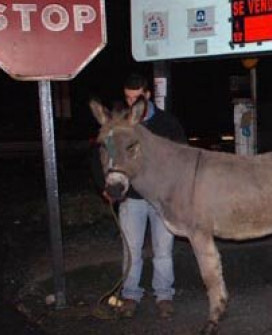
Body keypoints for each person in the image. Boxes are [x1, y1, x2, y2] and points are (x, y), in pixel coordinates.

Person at [93, 72, 186, 319]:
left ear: (147, 95)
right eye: (127, 97)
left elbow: (182, 157)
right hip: (132, 198)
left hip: (160, 198)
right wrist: (105, 184)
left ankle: (164, 295)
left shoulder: (167, 123)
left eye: (136, 97)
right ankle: (131, 295)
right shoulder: (120, 122)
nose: (131, 103)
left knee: (162, 250)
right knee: (131, 249)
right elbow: (103, 153)